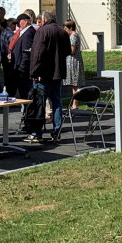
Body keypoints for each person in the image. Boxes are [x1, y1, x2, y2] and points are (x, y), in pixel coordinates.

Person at [26, 10, 71, 144]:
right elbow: (68, 51)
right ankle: (56, 132)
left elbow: (37, 54)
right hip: (57, 74)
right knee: (56, 103)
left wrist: (34, 72)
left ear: (44, 19)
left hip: (43, 74)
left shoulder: (42, 31)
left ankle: (36, 133)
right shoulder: (62, 32)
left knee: (39, 103)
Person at [9, 12, 36, 105]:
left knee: (25, 94)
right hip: (20, 69)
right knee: (23, 94)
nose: (17, 25)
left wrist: (21, 69)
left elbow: (27, 52)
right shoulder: (24, 32)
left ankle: (28, 115)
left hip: (23, 71)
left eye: (18, 23)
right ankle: (26, 114)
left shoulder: (28, 33)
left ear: (26, 21)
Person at [64, 19, 86, 108]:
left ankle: (75, 104)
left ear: (71, 28)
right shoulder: (75, 35)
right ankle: (74, 104)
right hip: (75, 61)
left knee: (75, 84)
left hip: (74, 62)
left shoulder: (73, 36)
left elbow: (72, 50)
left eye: (66, 28)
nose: (65, 30)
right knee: (74, 85)